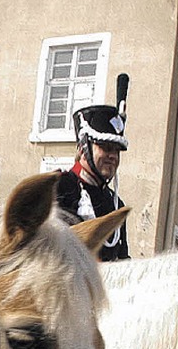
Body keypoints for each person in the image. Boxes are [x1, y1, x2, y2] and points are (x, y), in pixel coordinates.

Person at [56, 77, 130, 261]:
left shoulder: (115, 204)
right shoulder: (58, 187)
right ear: (83, 148)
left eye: (116, 150)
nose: (112, 156)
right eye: (105, 147)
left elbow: (121, 258)